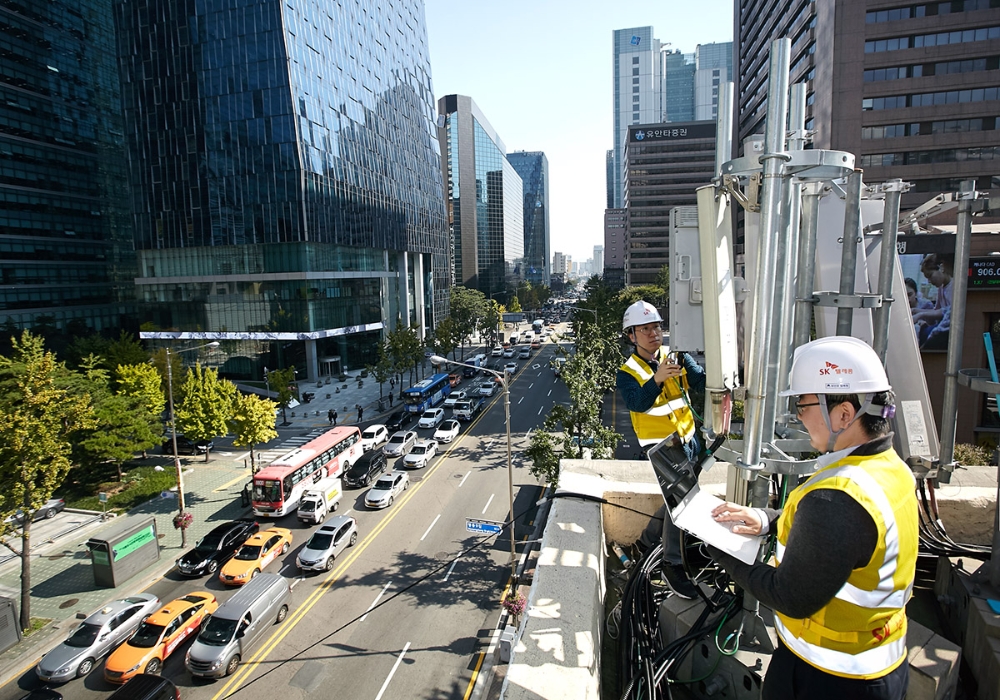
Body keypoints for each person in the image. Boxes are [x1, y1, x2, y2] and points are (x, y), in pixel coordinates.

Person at [710, 336, 917, 700]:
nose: (798, 416)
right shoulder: (887, 468)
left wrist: (720, 550)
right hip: (877, 668)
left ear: (843, 413)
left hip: (830, 680)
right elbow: (846, 541)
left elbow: (789, 595)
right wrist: (768, 518)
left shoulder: (836, 498)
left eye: (803, 404)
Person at [616, 300, 706, 599]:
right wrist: (658, 379)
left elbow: (700, 380)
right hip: (661, 446)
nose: (654, 333)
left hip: (689, 439)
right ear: (632, 336)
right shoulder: (627, 372)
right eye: (645, 329)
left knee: (677, 499)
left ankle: (645, 541)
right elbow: (637, 403)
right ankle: (672, 563)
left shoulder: (676, 355)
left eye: (656, 326)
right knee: (682, 502)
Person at [911, 253, 953, 347]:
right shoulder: (941, 289)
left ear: (941, 268)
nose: (929, 281)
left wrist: (921, 313)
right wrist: (916, 311)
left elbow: (948, 311)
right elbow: (936, 312)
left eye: (930, 276)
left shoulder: (954, 286)